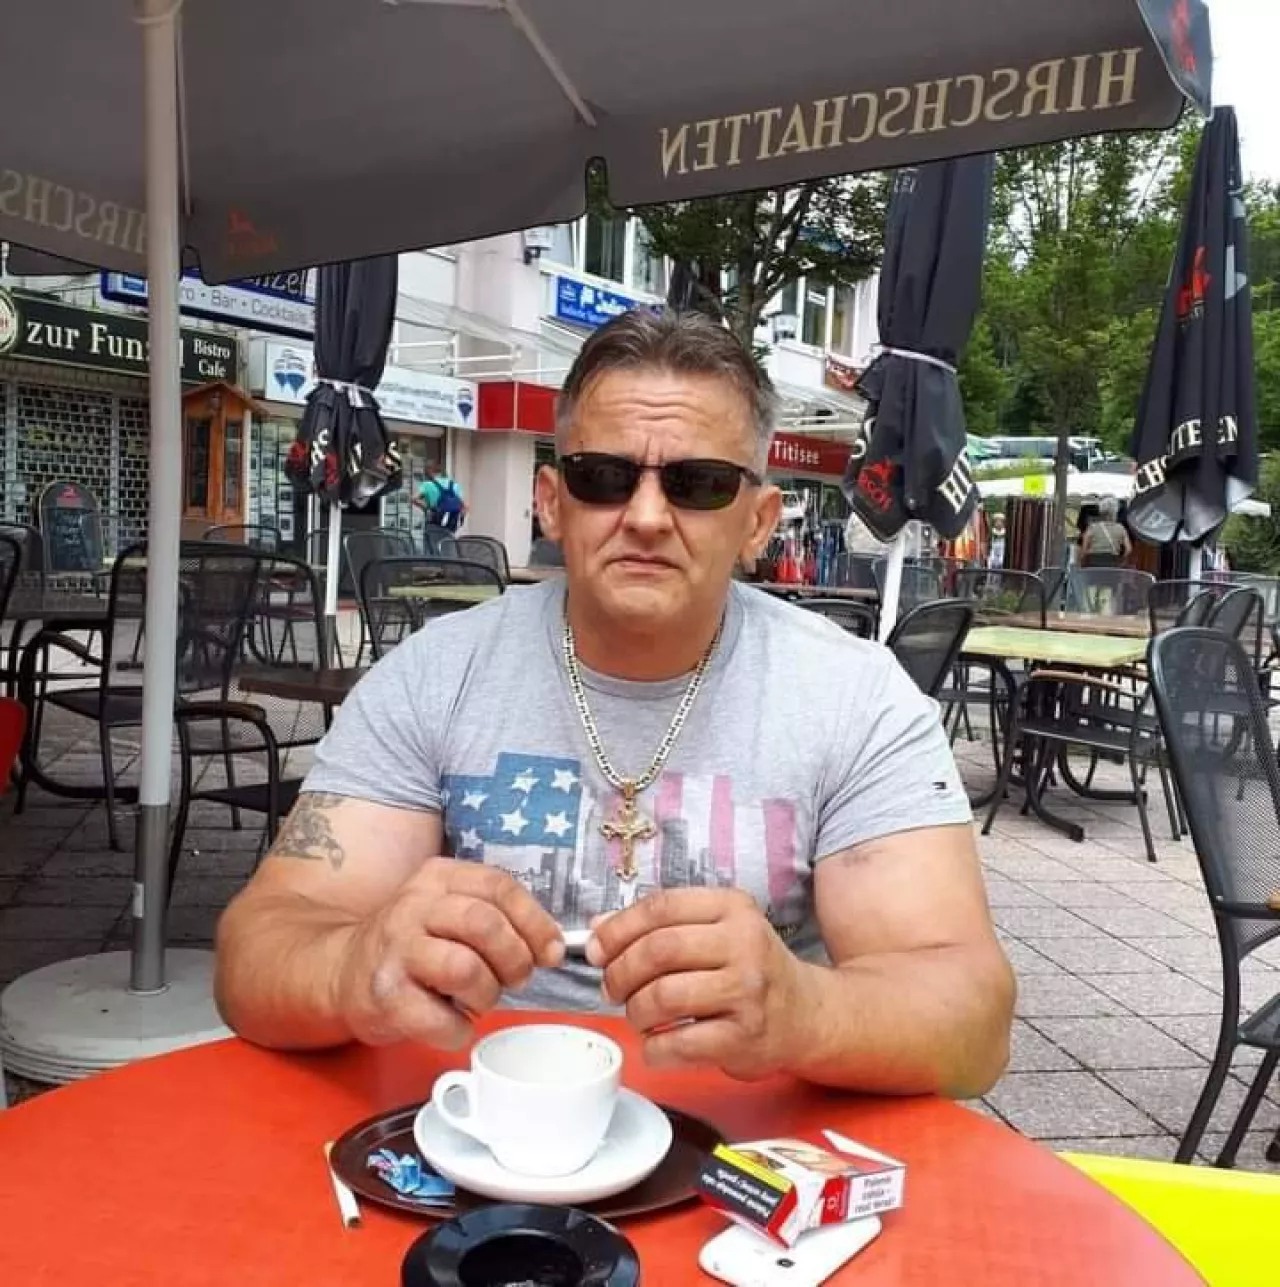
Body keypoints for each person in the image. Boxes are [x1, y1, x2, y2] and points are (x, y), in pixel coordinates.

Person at [216, 309, 1014, 1098]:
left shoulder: (854, 697)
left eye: (699, 484)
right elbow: (260, 947)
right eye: (604, 477)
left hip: (751, 1145)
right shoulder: (433, 675)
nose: (646, 517)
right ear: (551, 502)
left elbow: (973, 1018)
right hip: (483, 1124)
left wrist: (804, 1009)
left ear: (758, 522)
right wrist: (352, 967)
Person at [414, 463, 468, 532]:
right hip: (451, 523)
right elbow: (465, 507)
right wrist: (461, 519)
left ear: (431, 472)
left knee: (432, 537)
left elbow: (414, 499)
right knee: (448, 538)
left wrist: (426, 508)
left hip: (434, 520)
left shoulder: (427, 485)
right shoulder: (455, 485)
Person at [1079, 498, 1131, 568]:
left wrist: (1082, 564)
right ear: (1115, 511)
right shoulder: (1121, 528)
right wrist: (1122, 563)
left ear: (1101, 511)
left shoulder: (1092, 527)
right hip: (1113, 564)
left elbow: (1084, 550)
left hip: (1094, 564)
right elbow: (1128, 549)